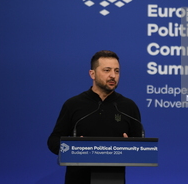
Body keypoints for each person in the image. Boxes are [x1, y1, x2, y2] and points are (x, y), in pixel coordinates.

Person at [47, 50, 142, 184]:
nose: (113, 76)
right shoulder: (73, 104)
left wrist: (130, 146)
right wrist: (72, 148)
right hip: (77, 179)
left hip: (114, 179)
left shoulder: (128, 107)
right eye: (107, 70)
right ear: (92, 74)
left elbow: (141, 145)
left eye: (117, 71)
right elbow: (54, 140)